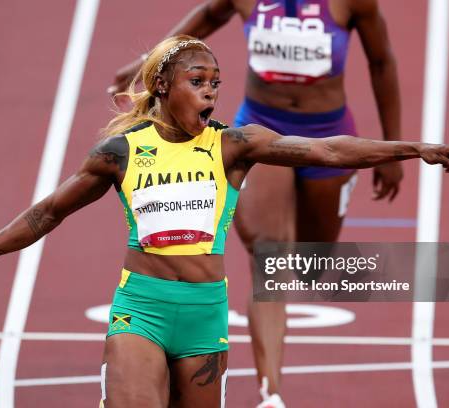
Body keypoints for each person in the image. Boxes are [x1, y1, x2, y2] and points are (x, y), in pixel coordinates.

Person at [0, 36, 449, 408]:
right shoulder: (120, 152)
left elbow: (326, 151)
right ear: (162, 85)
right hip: (143, 308)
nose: (210, 92)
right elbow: (46, 213)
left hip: (205, 316)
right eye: (198, 81)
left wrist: (412, 148)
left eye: (216, 84)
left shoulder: (234, 145)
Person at [109, 1, 403, 405]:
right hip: (263, 127)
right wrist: (148, 64)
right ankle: (271, 393)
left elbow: (382, 62)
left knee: (309, 266)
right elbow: (208, 16)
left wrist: (390, 149)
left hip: (327, 133)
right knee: (271, 257)